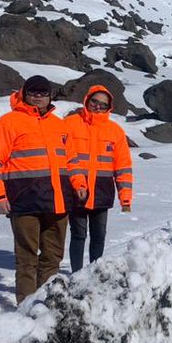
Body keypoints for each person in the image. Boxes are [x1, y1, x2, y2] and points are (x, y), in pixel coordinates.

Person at [0, 75, 71, 303]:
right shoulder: (7, 123)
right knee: (27, 257)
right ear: (24, 93)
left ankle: (47, 305)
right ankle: (27, 307)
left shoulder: (59, 125)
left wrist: (76, 190)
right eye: (33, 92)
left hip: (57, 202)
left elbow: (72, 162)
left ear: (50, 95)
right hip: (24, 201)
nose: (38, 97)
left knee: (53, 256)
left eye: (43, 92)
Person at [61, 85, 134, 272]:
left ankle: (94, 274)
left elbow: (123, 166)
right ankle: (76, 274)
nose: (98, 107)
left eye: (103, 104)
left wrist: (125, 197)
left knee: (99, 235)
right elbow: (63, 157)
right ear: (87, 100)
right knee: (78, 234)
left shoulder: (115, 131)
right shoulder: (70, 123)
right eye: (95, 102)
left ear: (109, 107)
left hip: (102, 191)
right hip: (76, 189)